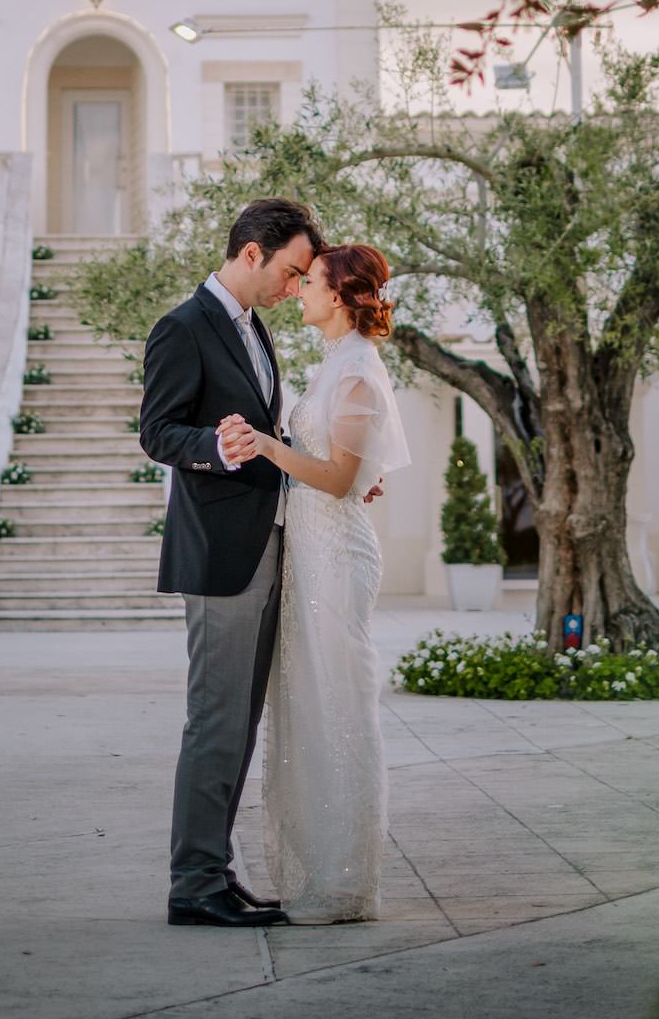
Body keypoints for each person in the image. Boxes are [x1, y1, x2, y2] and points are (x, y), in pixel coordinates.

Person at [139, 196, 324, 930]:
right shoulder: (182, 328)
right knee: (215, 719)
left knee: (240, 721)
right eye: (290, 271)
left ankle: (214, 870)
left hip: (266, 543)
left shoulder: (256, 330)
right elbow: (158, 431)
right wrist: (214, 449)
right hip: (220, 553)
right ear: (252, 253)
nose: (294, 286)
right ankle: (193, 885)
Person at [219, 242, 410, 924]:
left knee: (340, 707)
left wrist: (268, 445)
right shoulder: (339, 366)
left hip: (337, 559)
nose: (297, 289)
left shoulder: (356, 371)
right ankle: (328, 869)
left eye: (310, 282)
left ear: (338, 295)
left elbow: (335, 477)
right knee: (312, 704)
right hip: (315, 554)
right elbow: (352, 468)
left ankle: (348, 878)